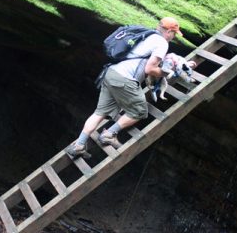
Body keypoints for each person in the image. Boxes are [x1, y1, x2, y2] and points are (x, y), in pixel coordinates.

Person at [66, 17, 182, 158]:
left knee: (99, 113)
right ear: (169, 31)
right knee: (139, 111)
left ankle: (79, 145)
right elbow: (150, 69)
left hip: (111, 73)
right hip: (125, 78)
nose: (174, 37)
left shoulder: (147, 34)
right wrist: (167, 73)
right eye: (174, 34)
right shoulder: (162, 43)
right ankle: (109, 134)